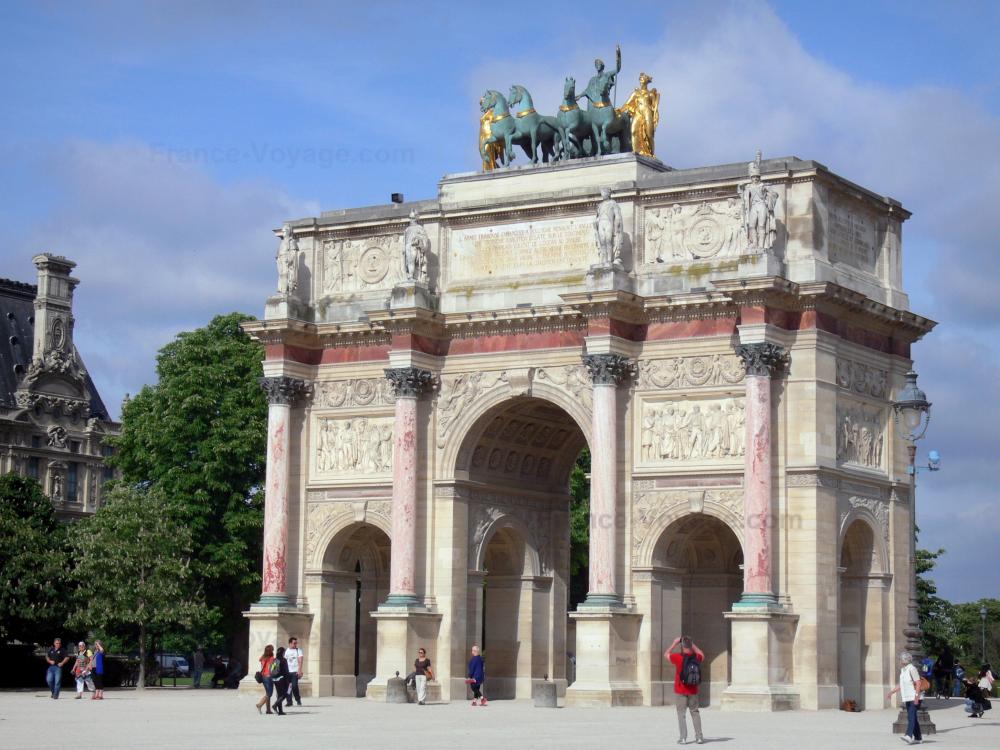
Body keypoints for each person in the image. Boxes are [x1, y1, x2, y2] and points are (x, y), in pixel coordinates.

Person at [665, 636, 704, 745]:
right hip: (693, 690)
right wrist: (693, 644)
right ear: (691, 645)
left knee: (681, 714)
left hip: (681, 690)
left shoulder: (678, 657)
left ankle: (683, 738)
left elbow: (666, 654)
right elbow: (702, 654)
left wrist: (674, 643)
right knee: (695, 713)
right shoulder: (696, 657)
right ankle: (699, 737)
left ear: (682, 646)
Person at [887, 651, 922, 745]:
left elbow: (918, 683)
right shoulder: (903, 670)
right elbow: (901, 685)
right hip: (907, 697)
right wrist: (891, 692)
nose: (899, 661)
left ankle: (908, 735)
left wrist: (916, 697)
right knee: (912, 716)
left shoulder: (912, 669)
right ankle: (918, 738)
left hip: (914, 697)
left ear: (905, 660)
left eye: (900, 659)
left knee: (911, 717)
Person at [284, 637, 303, 707]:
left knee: (294, 686)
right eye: (294, 643)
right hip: (288, 672)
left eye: (296, 643)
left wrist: (299, 670)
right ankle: (289, 701)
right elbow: (284, 662)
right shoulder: (287, 651)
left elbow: (300, 661)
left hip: (295, 672)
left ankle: (298, 699)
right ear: (290, 643)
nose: (295, 645)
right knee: (289, 687)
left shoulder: (298, 650)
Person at [256, 645, 275, 715]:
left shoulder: (262, 657)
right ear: (270, 651)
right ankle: (259, 704)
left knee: (268, 693)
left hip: (263, 677)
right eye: (272, 650)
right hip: (269, 677)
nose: (273, 651)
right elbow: (272, 668)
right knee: (269, 694)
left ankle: (268, 710)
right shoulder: (272, 659)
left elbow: (261, 661)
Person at [271, 646, 289, 716]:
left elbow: (272, 670)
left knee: (279, 695)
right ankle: (275, 705)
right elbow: (286, 671)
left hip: (275, 679)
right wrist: (288, 680)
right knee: (285, 694)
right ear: (282, 653)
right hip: (282, 679)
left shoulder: (274, 660)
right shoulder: (283, 660)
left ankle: (280, 711)